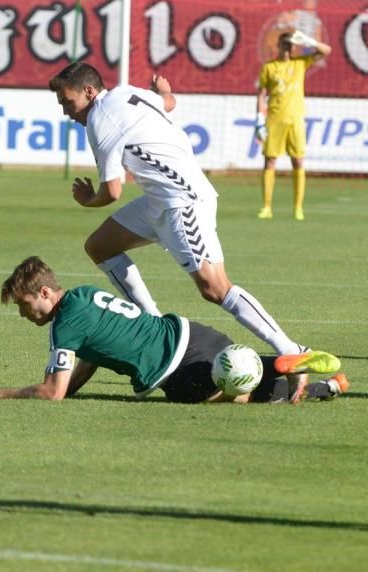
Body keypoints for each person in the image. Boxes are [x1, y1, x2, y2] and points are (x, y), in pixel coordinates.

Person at [47, 62, 313, 399]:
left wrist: (88, 199)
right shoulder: (127, 93)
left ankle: (292, 351)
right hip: (159, 201)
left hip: (182, 202)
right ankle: (152, 322)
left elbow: (111, 192)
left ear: (88, 92)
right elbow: (168, 103)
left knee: (214, 287)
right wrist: (163, 91)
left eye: (67, 103)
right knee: (100, 246)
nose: (66, 112)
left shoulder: (100, 120)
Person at [0, 257, 348, 404]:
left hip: (175, 372)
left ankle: (298, 378)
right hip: (192, 334)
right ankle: (302, 373)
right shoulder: (85, 296)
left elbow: (52, 393)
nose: (24, 314)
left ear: (43, 293)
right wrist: (70, 386)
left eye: (24, 305)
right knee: (248, 372)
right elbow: (90, 358)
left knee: (242, 395)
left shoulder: (63, 326)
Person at [255, 29, 331, 221]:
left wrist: (308, 41)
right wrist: (258, 119)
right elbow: (262, 94)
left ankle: (298, 208)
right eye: (284, 44)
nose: (287, 47)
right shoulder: (269, 67)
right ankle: (266, 207)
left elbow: (326, 50)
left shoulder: (300, 63)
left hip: (295, 120)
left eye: (291, 44)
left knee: (298, 160)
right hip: (274, 119)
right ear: (278, 45)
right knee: (270, 161)